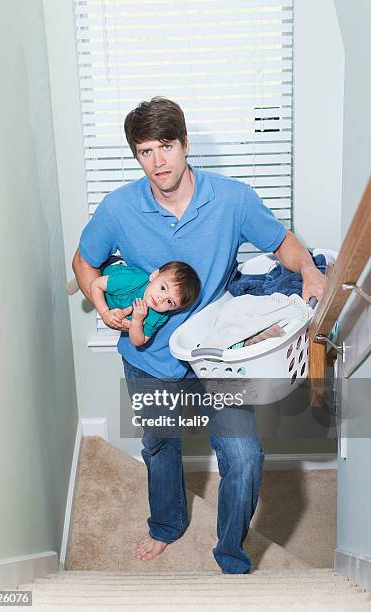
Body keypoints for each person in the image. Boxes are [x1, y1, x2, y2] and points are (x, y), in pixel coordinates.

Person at [72, 97, 326, 573]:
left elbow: (283, 243)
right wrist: (101, 303)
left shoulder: (232, 198)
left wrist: (309, 271)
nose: (158, 161)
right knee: (159, 443)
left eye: (166, 146)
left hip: (217, 358)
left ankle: (230, 551)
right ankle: (166, 525)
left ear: (185, 144)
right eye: (146, 151)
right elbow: (84, 261)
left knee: (243, 455)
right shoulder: (119, 207)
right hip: (149, 359)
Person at [89, 260, 200, 347]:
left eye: (169, 302)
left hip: (114, 302)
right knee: (90, 268)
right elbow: (96, 284)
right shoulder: (133, 281)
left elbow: (138, 341)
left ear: (173, 309)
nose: (161, 299)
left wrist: (137, 321)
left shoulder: (159, 316)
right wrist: (105, 313)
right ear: (154, 275)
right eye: (163, 288)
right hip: (110, 269)